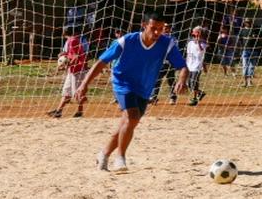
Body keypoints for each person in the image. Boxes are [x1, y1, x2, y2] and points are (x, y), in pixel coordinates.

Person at [75, 11, 188, 171]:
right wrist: (84, 84)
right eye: (153, 28)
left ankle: (104, 154)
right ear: (144, 25)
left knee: (127, 123)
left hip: (144, 87)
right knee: (132, 117)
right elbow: (101, 62)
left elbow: (182, 66)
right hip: (122, 82)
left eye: (160, 29)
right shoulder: (127, 40)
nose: (157, 32)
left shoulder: (167, 43)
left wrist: (182, 79)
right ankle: (120, 158)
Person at [47, 26, 88, 118]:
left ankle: (80, 111)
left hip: (77, 70)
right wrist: (64, 54)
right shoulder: (70, 41)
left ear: (64, 32)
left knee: (76, 93)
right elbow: (72, 54)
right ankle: (59, 111)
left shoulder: (73, 41)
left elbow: (76, 56)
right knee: (66, 91)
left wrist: (67, 65)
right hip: (72, 70)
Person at [149, 23, 178, 105]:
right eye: (164, 27)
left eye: (167, 27)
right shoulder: (156, 38)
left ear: (169, 29)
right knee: (156, 80)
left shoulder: (173, 39)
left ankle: (173, 98)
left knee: (171, 81)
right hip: (159, 63)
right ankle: (154, 98)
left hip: (170, 63)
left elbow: (174, 50)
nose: (166, 29)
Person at [186, 26, 208, 106]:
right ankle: (200, 93)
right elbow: (188, 54)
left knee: (194, 82)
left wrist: (198, 41)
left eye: (195, 32)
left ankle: (194, 99)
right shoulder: (190, 43)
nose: (193, 34)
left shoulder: (203, 43)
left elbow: (201, 50)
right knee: (188, 83)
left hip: (197, 66)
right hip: (189, 65)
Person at [240, 18, 257, 87]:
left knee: (251, 67)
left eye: (249, 22)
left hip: (253, 50)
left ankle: (249, 82)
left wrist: (252, 37)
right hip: (245, 50)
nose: (247, 23)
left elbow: (256, 38)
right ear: (244, 23)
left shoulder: (253, 30)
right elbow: (240, 40)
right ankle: (245, 82)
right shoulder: (242, 30)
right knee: (245, 66)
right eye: (246, 22)